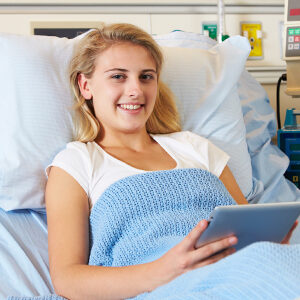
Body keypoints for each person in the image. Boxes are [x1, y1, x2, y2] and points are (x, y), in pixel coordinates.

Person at [45, 23, 295, 300]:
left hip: (242, 271)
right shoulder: (77, 163)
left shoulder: (195, 147)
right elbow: (68, 279)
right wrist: (163, 271)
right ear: (85, 85)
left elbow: (246, 226)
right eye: (118, 76)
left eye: (146, 77)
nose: (135, 91)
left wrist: (269, 245)